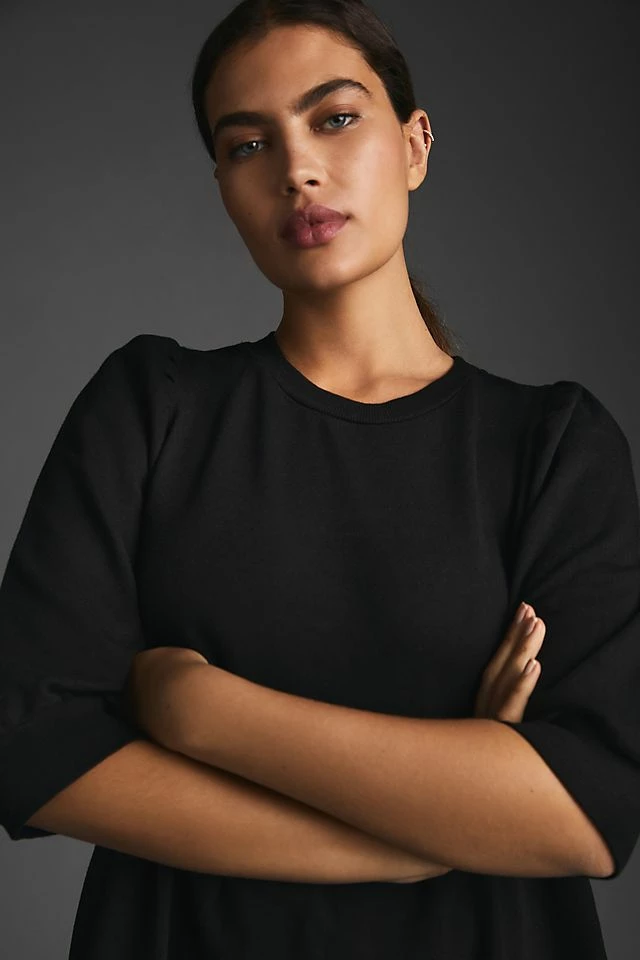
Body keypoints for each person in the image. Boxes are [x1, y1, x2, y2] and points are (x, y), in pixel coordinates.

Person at [1, 1, 639, 958]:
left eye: (335, 118)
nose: (296, 168)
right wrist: (412, 842)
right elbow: (32, 751)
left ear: (415, 146)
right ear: (224, 186)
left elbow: (584, 812)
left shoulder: (553, 445)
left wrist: (199, 711)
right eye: (248, 145)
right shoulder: (151, 406)